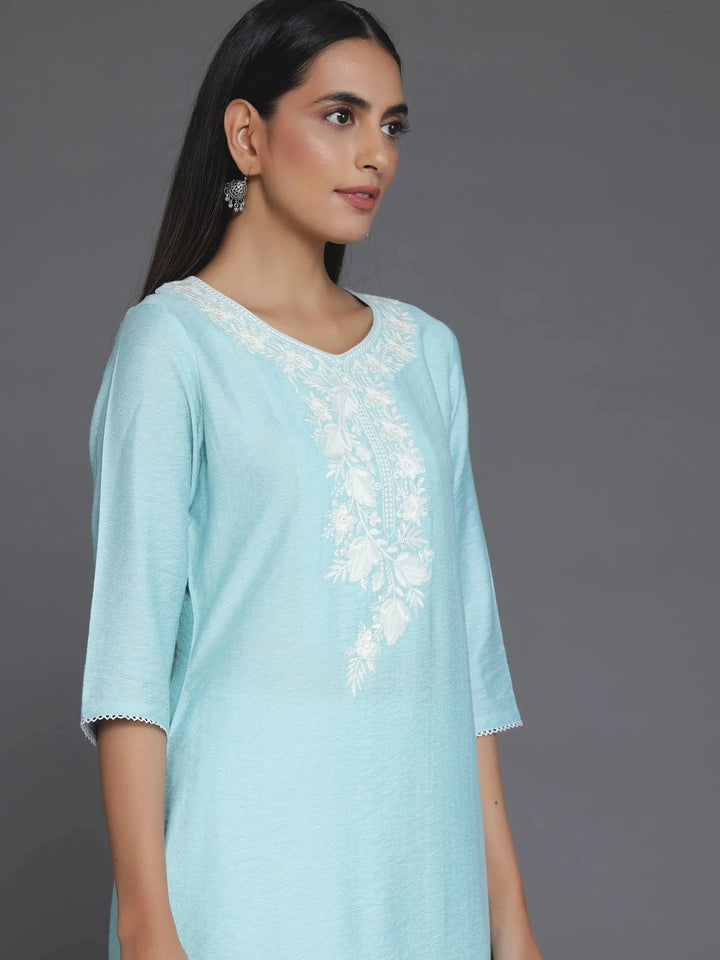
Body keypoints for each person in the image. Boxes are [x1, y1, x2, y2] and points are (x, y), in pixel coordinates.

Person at [78, 2, 543, 958]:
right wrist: (149, 926)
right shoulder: (173, 344)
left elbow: (469, 657)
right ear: (247, 136)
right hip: (246, 872)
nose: (376, 155)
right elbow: (130, 663)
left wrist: (510, 919)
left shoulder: (426, 355)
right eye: (340, 116)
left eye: (392, 125)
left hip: (424, 877)